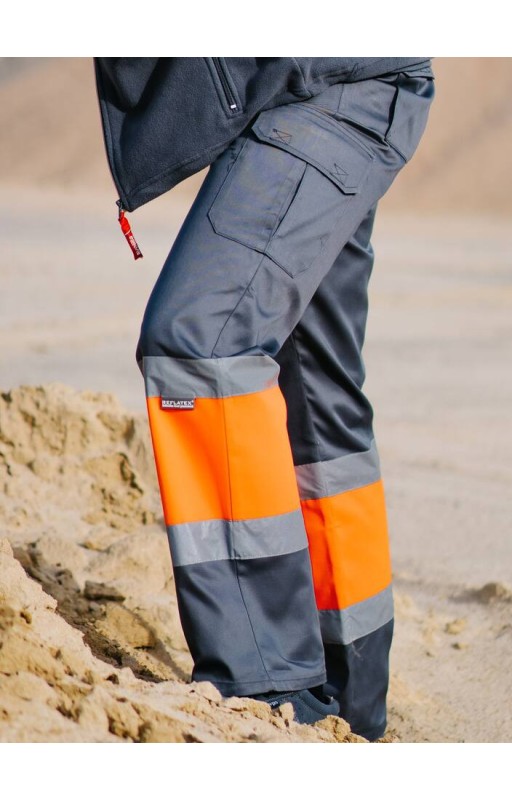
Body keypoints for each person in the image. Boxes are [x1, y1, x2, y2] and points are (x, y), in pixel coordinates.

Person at [94, 57, 434, 741]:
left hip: (321, 78)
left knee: (200, 345)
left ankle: (268, 683)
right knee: (313, 382)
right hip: (320, 79)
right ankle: (350, 699)